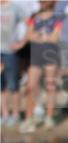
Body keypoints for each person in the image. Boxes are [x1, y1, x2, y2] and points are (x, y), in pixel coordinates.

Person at [23, 0, 62, 132]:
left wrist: (39, 36)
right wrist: (45, 36)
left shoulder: (57, 18)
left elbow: (55, 38)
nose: (43, 2)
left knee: (50, 86)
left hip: (51, 55)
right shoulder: (34, 17)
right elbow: (29, 36)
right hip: (36, 55)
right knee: (31, 86)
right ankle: (29, 118)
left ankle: (49, 117)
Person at [0, 0, 29, 128]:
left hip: (10, 50)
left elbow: (29, 23)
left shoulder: (15, 7)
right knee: (1, 86)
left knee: (13, 84)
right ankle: (5, 115)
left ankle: (16, 114)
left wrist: (22, 42)